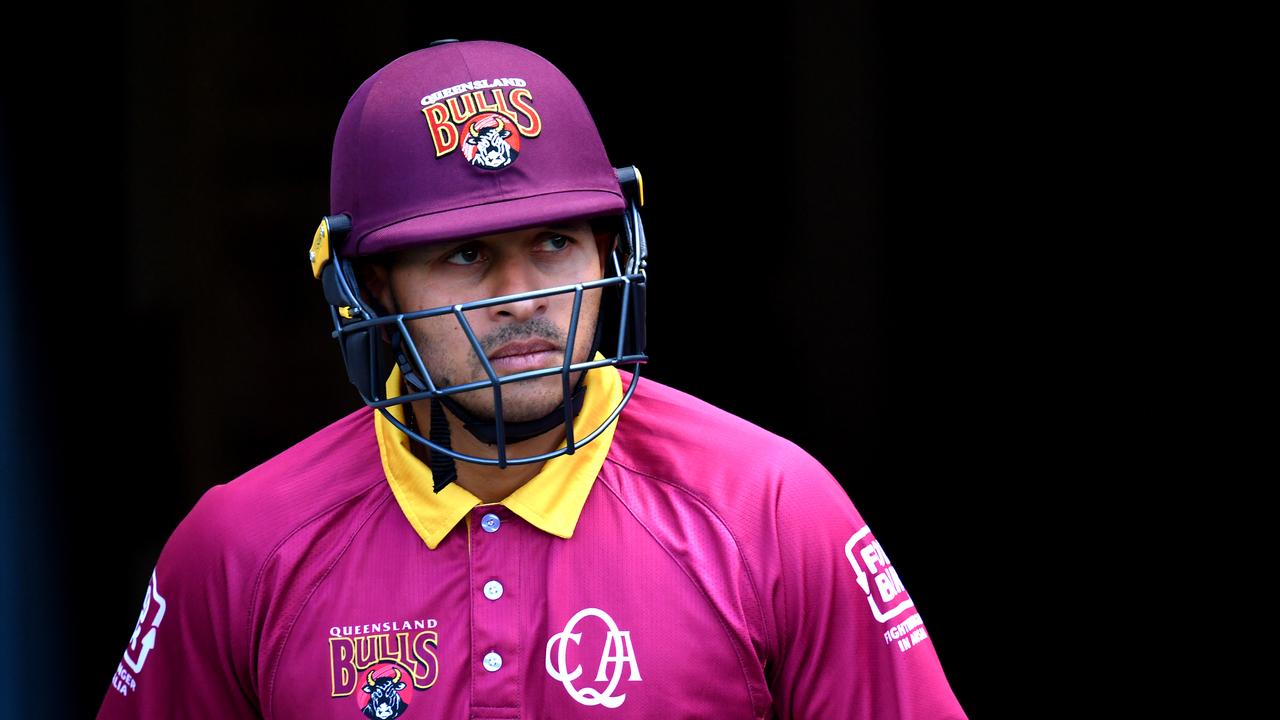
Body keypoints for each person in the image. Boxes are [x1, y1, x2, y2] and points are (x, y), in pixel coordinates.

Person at [96, 39, 968, 719]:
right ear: (369, 287)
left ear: (608, 248)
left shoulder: (771, 508)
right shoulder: (240, 547)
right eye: (466, 255)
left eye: (555, 244)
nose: (523, 300)